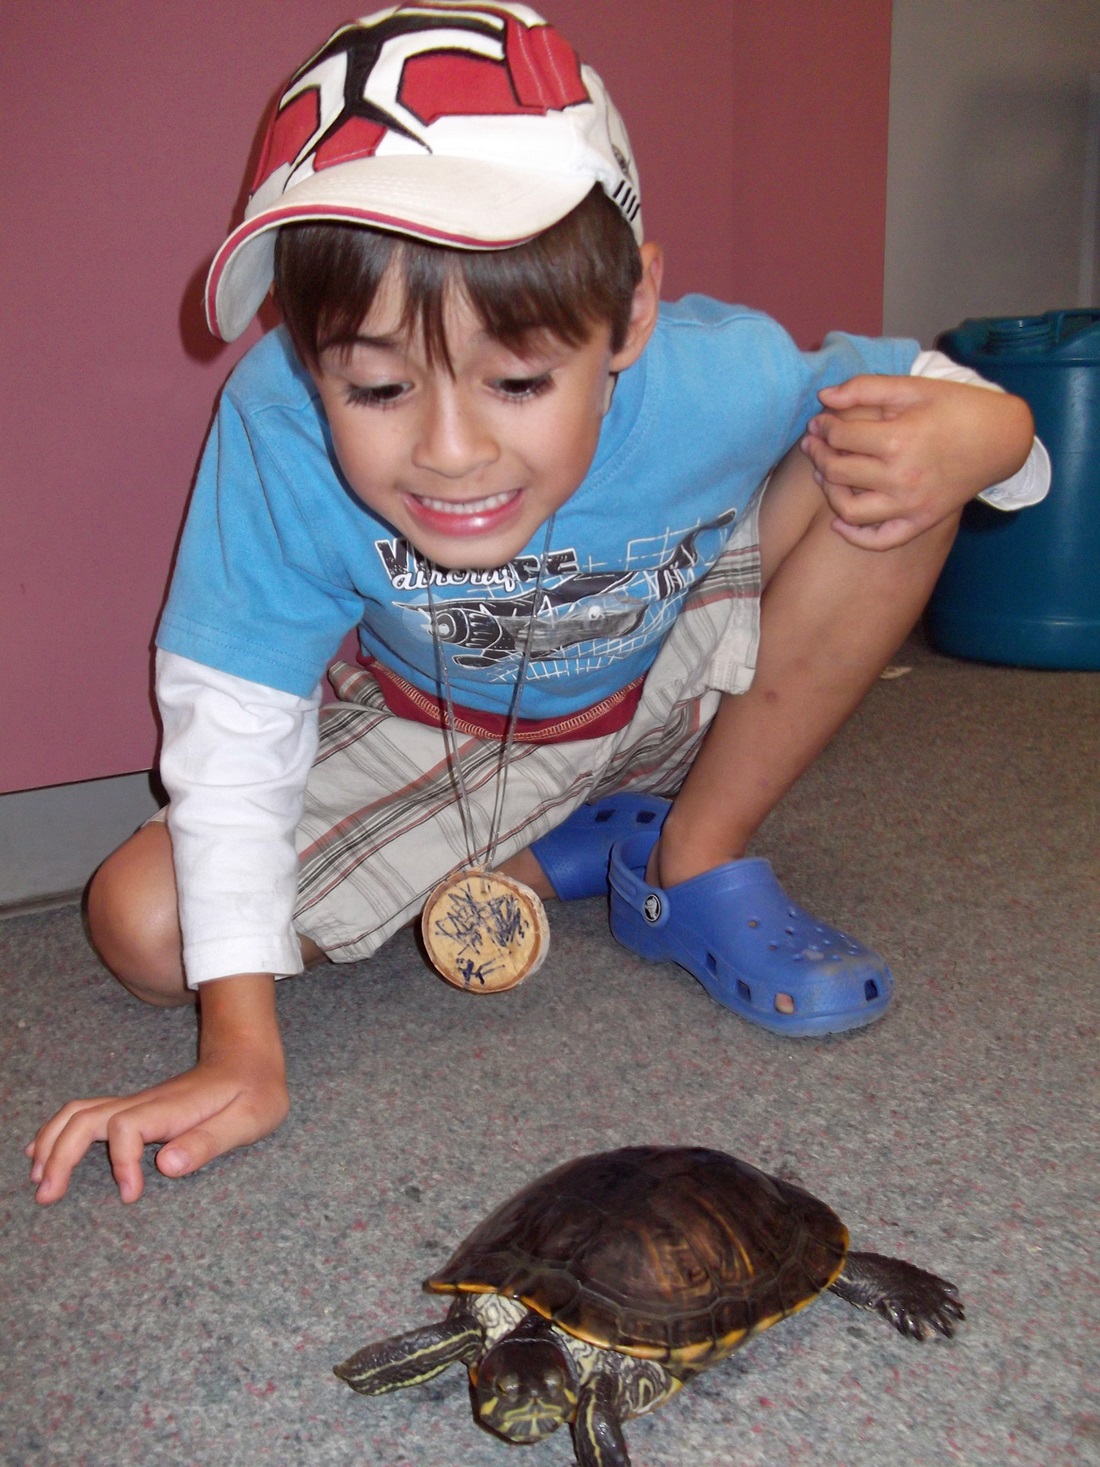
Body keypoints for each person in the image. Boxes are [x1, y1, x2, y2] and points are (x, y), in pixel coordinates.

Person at [27, 2, 1046, 1205]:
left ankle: (693, 853)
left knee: (893, 460)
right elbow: (233, 716)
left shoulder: (717, 371)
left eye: (516, 379)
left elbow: (925, 392)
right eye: (377, 384)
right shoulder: (273, 417)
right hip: (432, 727)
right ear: (306, 353)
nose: (450, 451)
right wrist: (242, 1049)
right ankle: (552, 841)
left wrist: (1002, 430)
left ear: (629, 314)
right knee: (144, 930)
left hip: (663, 678)